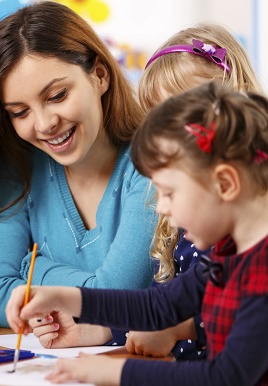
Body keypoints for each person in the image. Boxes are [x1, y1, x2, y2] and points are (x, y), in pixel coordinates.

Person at [6, 81, 268, 385]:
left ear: (225, 184)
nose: (161, 209)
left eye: (169, 193)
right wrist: (59, 297)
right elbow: (157, 307)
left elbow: (227, 377)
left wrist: (114, 372)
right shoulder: (226, 255)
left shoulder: (261, 273)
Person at [0, 0, 155, 334]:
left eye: (56, 95)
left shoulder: (151, 166)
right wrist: (84, 295)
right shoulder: (18, 167)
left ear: (99, 75)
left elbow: (119, 297)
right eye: (20, 112)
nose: (44, 123)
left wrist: (32, 270)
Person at [124, 22, 264, 360]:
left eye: (180, 117)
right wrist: (95, 325)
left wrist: (175, 329)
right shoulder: (184, 208)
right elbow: (165, 305)